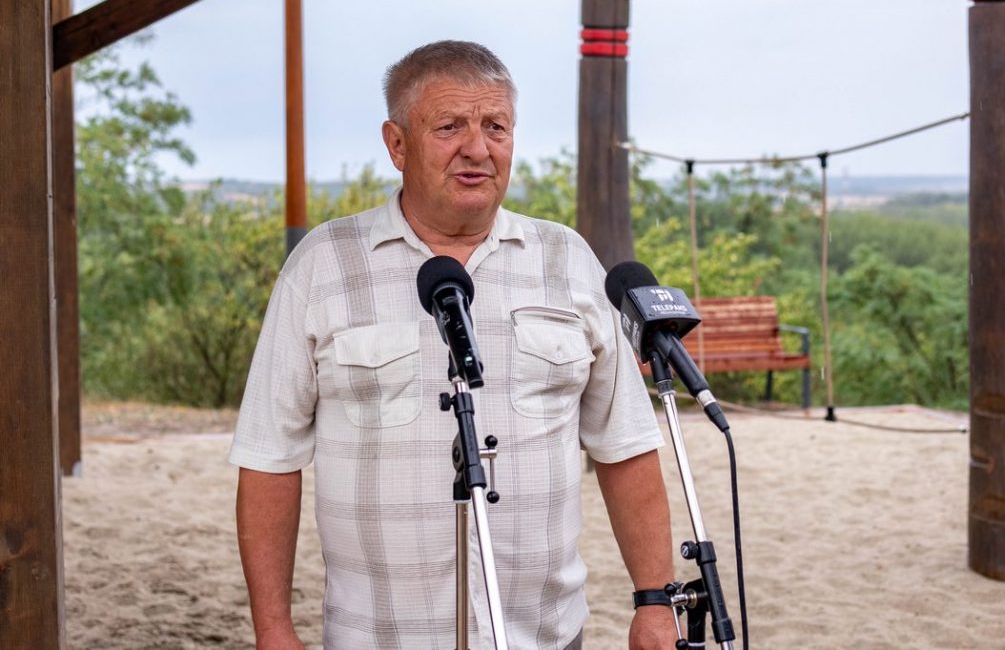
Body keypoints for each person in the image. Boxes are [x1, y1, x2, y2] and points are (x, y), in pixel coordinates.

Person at [231, 40, 678, 649]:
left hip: (544, 635)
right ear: (396, 144)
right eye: (449, 127)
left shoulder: (567, 259)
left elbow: (625, 446)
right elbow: (269, 458)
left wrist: (655, 601)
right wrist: (273, 629)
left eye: (496, 126)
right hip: (378, 637)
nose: (477, 148)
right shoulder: (323, 265)